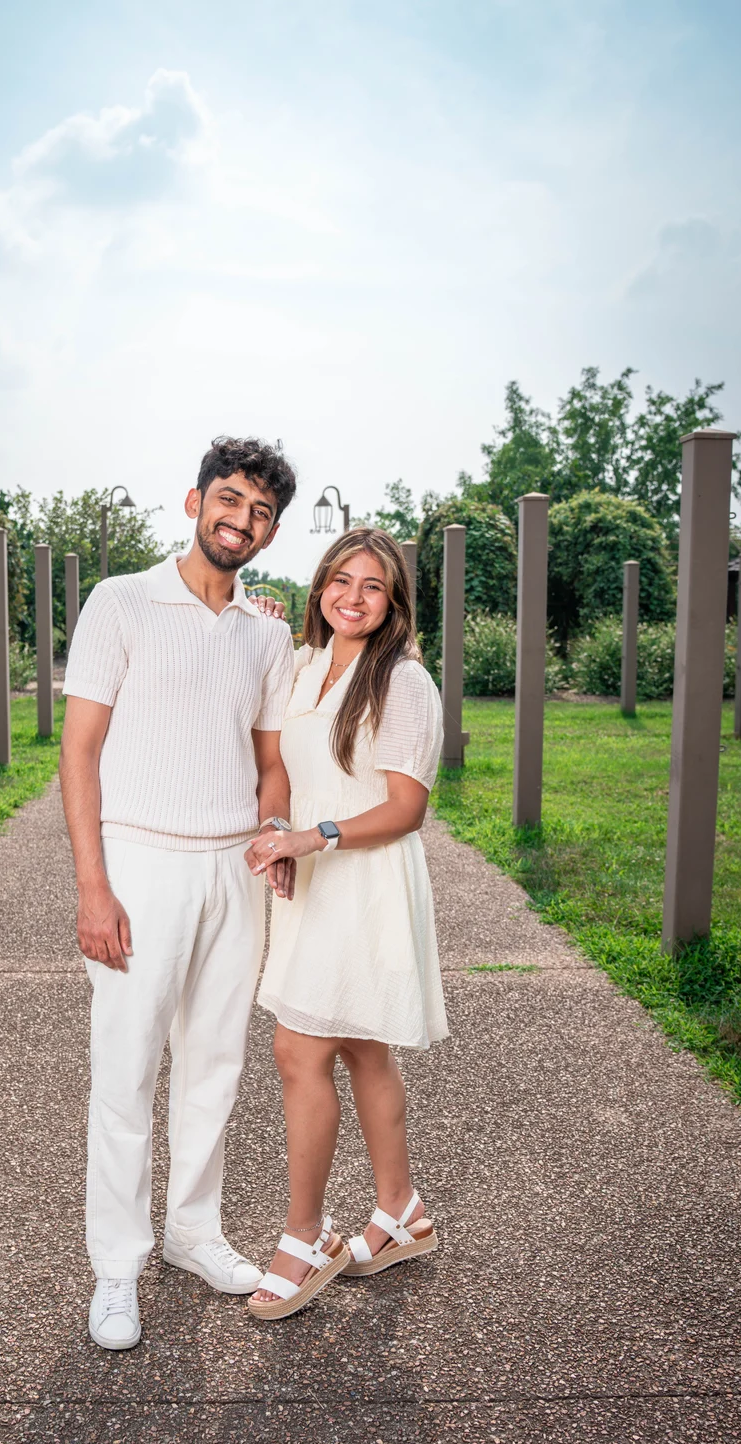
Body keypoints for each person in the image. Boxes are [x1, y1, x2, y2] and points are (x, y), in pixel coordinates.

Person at [60, 436, 298, 1350]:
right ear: (194, 501)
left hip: (232, 869)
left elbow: (269, 761)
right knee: (125, 1072)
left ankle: (194, 1231)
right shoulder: (120, 601)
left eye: (261, 513)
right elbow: (79, 753)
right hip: (140, 864)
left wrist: (273, 834)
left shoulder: (267, 631)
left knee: (214, 1066)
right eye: (229, 501)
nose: (241, 521)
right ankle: (116, 1267)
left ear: (271, 532)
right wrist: (93, 886)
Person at [244, 526, 448, 1321]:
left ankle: (306, 1237)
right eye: (340, 580)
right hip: (310, 881)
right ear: (319, 586)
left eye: (371, 586)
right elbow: (278, 768)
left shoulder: (402, 681)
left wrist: (313, 836)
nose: (352, 597)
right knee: (362, 1044)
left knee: (298, 1047)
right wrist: (276, 832)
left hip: (363, 880)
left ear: (393, 601)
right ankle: (400, 1213)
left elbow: (406, 808)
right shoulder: (300, 665)